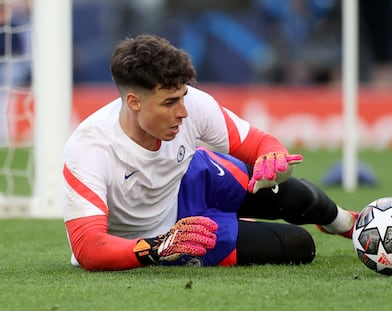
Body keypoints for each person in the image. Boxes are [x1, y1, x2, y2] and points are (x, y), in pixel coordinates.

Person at [62, 34, 359, 271]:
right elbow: (88, 247)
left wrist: (274, 158)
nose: (183, 111)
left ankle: (348, 224)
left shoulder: (191, 104)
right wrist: (156, 247)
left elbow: (260, 144)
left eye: (183, 96)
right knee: (299, 246)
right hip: (170, 236)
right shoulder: (89, 147)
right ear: (133, 101)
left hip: (191, 180)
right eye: (169, 103)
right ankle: (232, 221)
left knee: (297, 196)